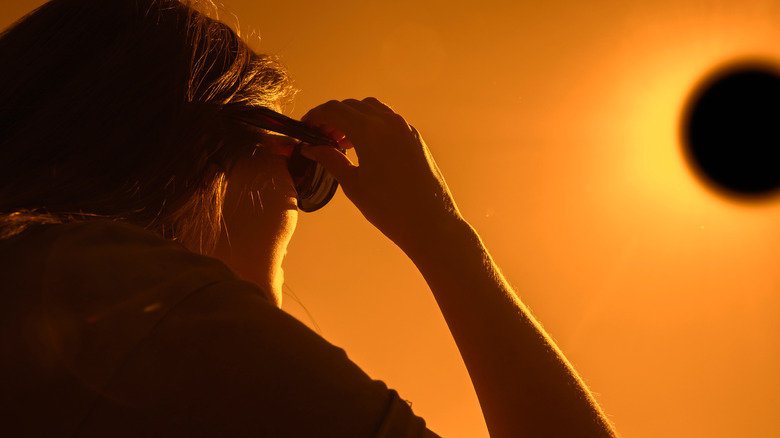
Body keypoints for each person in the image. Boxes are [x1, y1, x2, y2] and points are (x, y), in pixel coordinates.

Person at [0, 0, 619, 436]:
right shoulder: (154, 312)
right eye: (299, 162)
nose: (300, 201)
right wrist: (443, 236)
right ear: (200, 146)